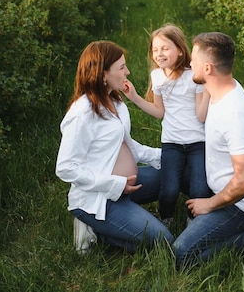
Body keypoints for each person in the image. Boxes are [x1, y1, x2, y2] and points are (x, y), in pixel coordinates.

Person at [55, 40, 174, 254]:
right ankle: (99, 231)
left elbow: (126, 146)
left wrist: (168, 157)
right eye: (121, 67)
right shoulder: (82, 113)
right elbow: (65, 167)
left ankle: (128, 219)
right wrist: (114, 185)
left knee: (177, 172)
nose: (128, 71)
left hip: (127, 186)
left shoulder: (115, 101)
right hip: (99, 198)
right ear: (102, 74)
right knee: (163, 241)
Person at [172, 32, 244, 269]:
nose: (190, 64)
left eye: (195, 60)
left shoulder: (235, 114)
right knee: (171, 169)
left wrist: (209, 205)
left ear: (208, 68)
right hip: (220, 185)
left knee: (182, 255)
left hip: (241, 204)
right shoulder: (218, 88)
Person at [123, 24, 211, 226]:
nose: (159, 54)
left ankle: (193, 221)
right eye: (155, 49)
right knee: (169, 188)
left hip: (198, 142)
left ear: (180, 50)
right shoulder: (157, 76)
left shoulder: (193, 76)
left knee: (199, 187)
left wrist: (206, 89)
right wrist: (134, 97)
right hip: (172, 142)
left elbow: (201, 114)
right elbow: (159, 112)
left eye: (165, 48)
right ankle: (166, 218)